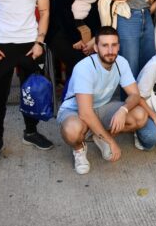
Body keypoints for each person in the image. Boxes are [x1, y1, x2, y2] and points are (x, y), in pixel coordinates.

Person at [0, 0, 53, 162]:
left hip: (30, 44)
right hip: (0, 44)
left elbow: (45, 12)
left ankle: (31, 132)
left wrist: (40, 42)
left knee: (33, 93)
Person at [57, 26, 147, 174]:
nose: (110, 50)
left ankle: (99, 136)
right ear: (96, 48)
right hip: (76, 110)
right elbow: (85, 113)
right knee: (72, 131)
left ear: (118, 46)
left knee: (140, 116)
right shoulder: (84, 67)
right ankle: (79, 150)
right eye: (105, 45)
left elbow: (135, 95)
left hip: (101, 106)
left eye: (114, 45)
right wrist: (112, 142)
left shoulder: (121, 62)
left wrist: (123, 110)